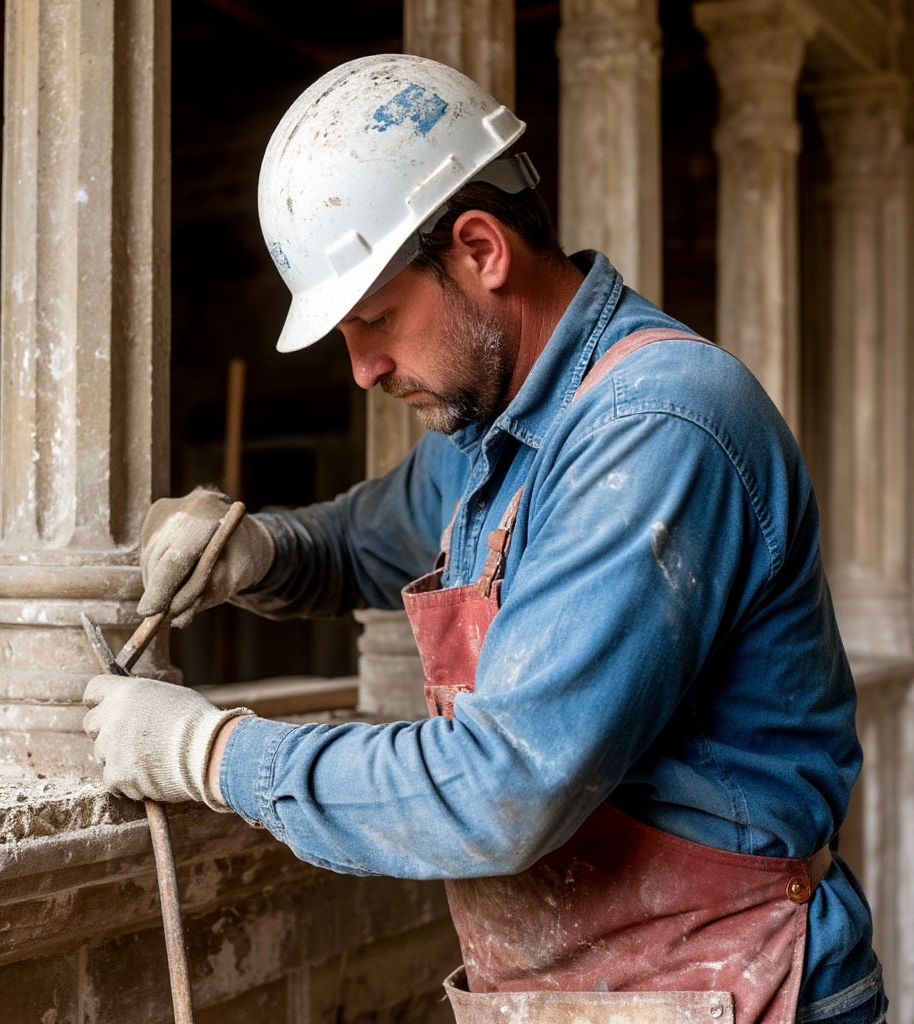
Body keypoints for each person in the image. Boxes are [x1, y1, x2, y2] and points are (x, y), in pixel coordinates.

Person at [83, 54, 886, 1024]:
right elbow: (352, 541)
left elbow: (499, 790)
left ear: (478, 248)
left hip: (734, 982)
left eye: (375, 318)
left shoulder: (654, 427)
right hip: (603, 991)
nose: (363, 366)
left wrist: (212, 754)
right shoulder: (492, 436)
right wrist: (248, 548)